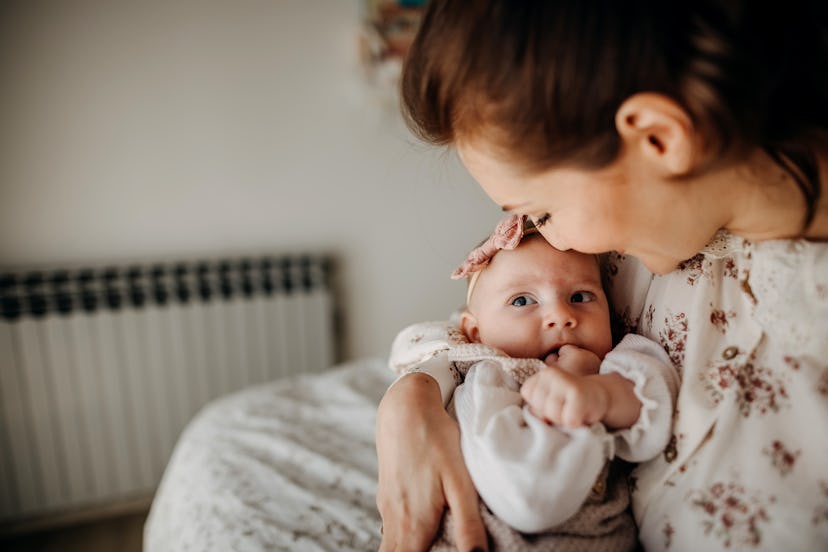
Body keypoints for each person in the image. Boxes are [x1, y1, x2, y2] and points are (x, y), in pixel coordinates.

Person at [375, 1, 828, 550]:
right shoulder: (631, 247)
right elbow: (483, 327)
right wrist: (411, 403)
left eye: (541, 211)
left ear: (659, 139)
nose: (553, 241)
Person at [387, 214, 677, 550]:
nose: (561, 316)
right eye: (522, 301)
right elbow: (409, 348)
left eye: (580, 297)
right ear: (476, 333)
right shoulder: (481, 371)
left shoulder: (611, 366)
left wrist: (596, 393)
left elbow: (655, 395)